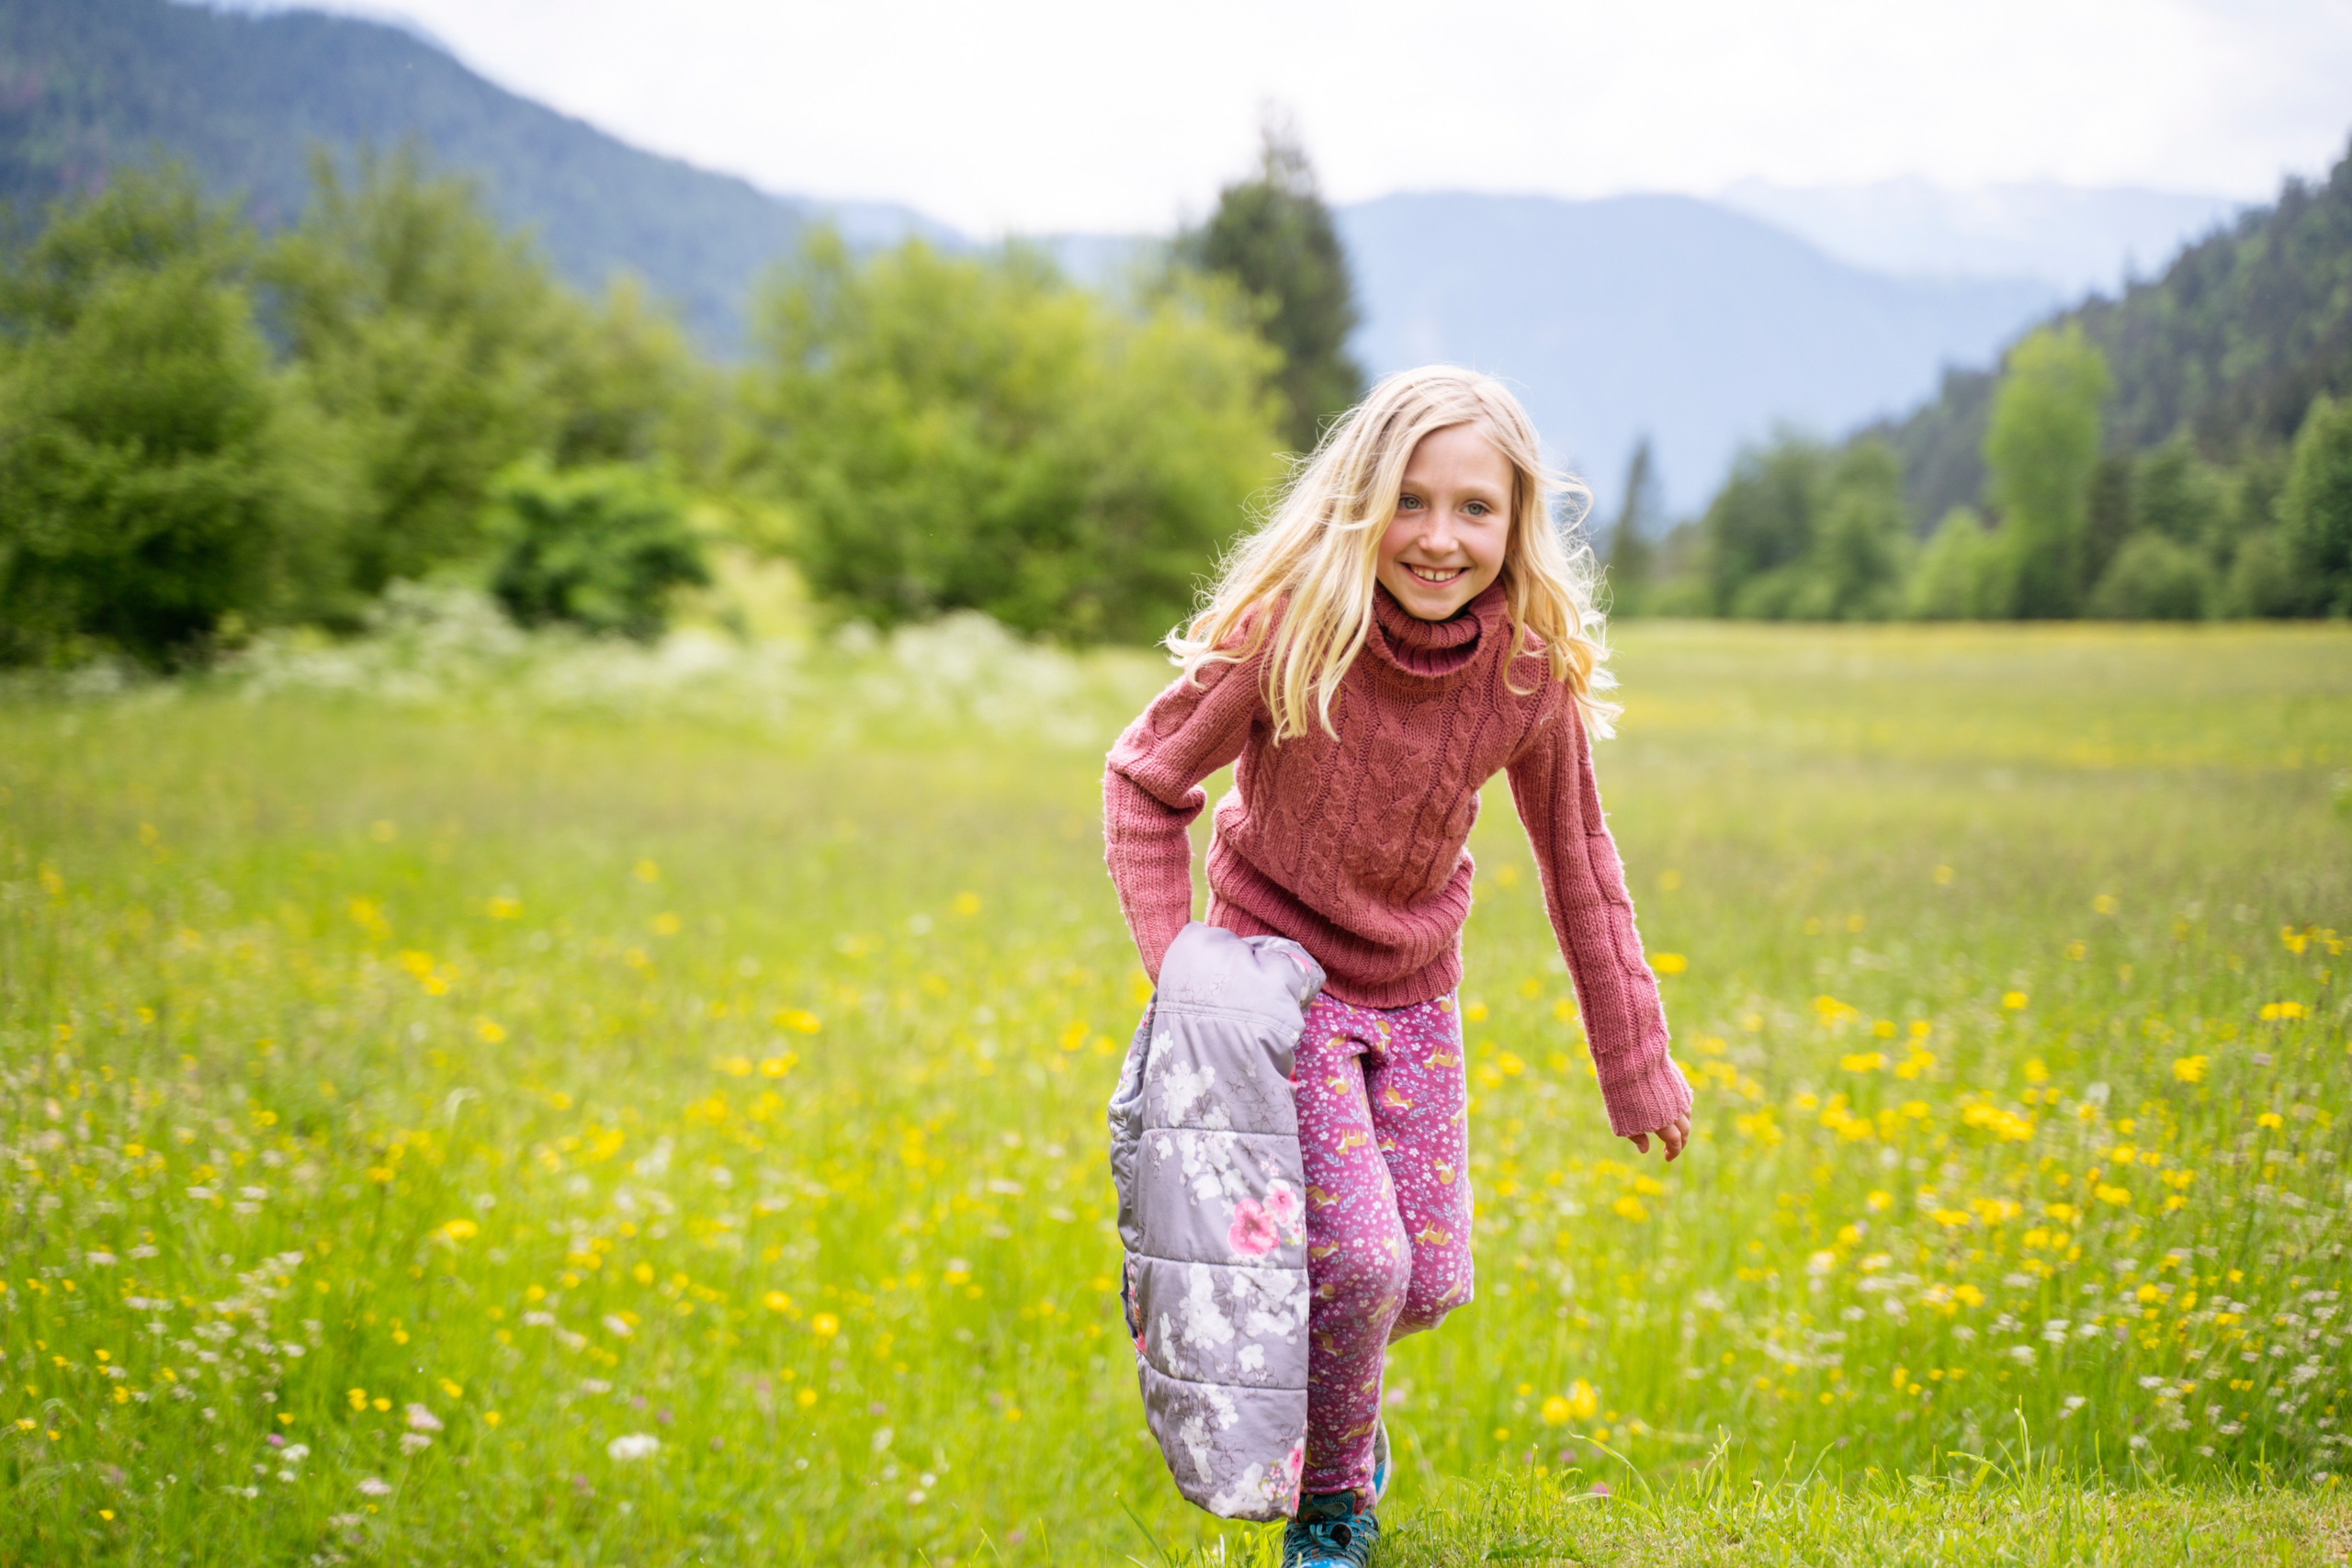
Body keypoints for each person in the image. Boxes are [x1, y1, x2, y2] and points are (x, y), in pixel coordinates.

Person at [1102, 366, 1692, 1568]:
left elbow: (1581, 864)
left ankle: (1343, 1420)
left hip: (1416, 992)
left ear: (1517, 520)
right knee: (1358, 1260)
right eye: (1409, 502)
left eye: (1474, 508)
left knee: (1418, 1280)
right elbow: (1145, 782)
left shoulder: (1527, 671)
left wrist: (1635, 1063)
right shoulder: (1294, 630)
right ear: (1361, 502)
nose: (1437, 538)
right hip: (1279, 990)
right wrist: (1188, 983)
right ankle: (1332, 1517)